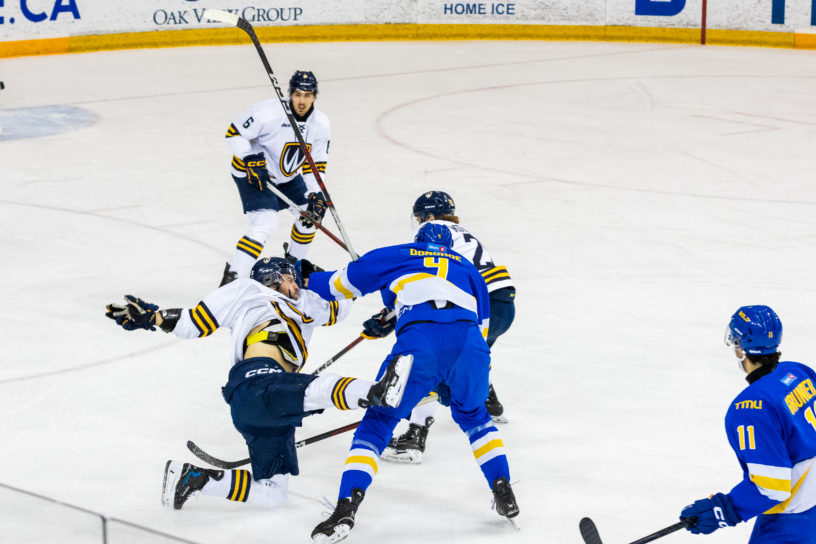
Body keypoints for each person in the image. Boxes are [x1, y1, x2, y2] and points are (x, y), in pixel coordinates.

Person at [104, 257, 410, 511]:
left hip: (260, 408)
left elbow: (340, 304)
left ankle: (194, 479)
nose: (298, 284)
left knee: (272, 493)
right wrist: (152, 317)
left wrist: (384, 314)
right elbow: (193, 321)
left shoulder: (303, 307)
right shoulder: (248, 292)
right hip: (257, 382)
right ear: (275, 277)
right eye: (293, 278)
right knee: (318, 387)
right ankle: (375, 391)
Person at [306, 223, 519, 544]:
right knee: (476, 419)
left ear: (417, 242)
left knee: (378, 420)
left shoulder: (401, 254)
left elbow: (338, 284)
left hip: (421, 340)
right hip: (470, 344)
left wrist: (303, 276)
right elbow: (481, 327)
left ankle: (346, 507)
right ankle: (503, 490)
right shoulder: (469, 270)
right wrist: (450, 383)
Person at [381, 190, 516, 464]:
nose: (419, 222)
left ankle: (415, 436)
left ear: (429, 216)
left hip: (478, 301)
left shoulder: (432, 231)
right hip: (501, 301)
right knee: (464, 356)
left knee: (435, 362)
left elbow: (424, 277)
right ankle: (487, 401)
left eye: (420, 217)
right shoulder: (458, 231)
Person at [679, 305, 816, 542]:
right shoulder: (798, 372)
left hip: (795, 520)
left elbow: (771, 487)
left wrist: (721, 509)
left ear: (740, 349)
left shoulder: (750, 408)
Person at [220, 69, 331, 286]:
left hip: (287, 177)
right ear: (290, 94)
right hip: (253, 173)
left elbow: (315, 167)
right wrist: (248, 157)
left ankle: (293, 267)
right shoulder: (268, 112)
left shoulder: (321, 124)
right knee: (265, 222)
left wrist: (317, 194)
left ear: (315, 97)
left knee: (312, 215)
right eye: (298, 94)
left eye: (308, 96)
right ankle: (233, 279)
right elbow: (234, 133)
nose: (302, 101)